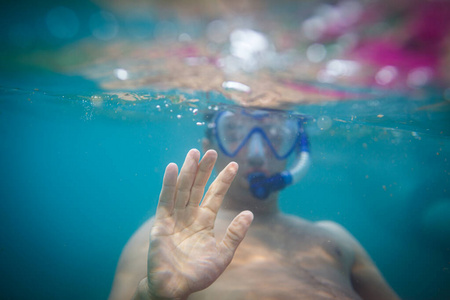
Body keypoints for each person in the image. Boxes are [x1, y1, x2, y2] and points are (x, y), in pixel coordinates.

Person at [108, 106, 400, 300]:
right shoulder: (164, 238)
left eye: (275, 134)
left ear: (296, 151)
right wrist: (150, 296)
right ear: (210, 147)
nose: (258, 153)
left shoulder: (336, 238)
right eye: (234, 133)